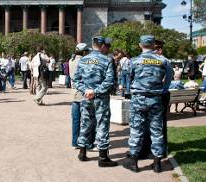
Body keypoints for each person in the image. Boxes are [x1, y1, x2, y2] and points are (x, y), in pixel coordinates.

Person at [123, 35, 172, 173]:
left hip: (138, 98)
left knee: (136, 129)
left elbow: (130, 78)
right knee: (156, 130)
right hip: (155, 98)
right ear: (153, 45)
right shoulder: (164, 61)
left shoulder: (134, 61)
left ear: (140, 45)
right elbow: (168, 79)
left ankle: (134, 163)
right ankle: (157, 164)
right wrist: (162, 91)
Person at [73, 36, 117, 167]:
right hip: (100, 98)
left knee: (85, 123)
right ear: (102, 45)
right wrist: (96, 91)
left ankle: (82, 152)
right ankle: (103, 157)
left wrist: (86, 90)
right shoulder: (107, 60)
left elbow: (76, 80)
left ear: (92, 45)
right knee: (102, 124)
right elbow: (109, 81)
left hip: (86, 97)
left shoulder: (83, 60)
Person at [69, 43, 91, 148]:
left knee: (75, 120)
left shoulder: (71, 60)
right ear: (84, 52)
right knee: (87, 120)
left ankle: (75, 142)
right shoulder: (85, 62)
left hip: (74, 93)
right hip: (83, 93)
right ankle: (86, 142)